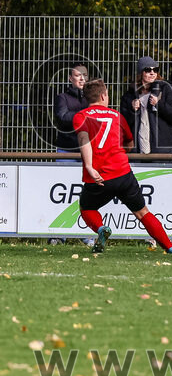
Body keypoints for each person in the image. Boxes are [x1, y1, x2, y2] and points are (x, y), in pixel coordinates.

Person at [73, 79, 172, 254]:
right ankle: (170, 247)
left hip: (99, 177)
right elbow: (129, 143)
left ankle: (101, 229)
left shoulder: (81, 116)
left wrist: (90, 166)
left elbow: (83, 140)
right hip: (123, 174)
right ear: (103, 96)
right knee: (143, 212)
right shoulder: (116, 115)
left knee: (87, 208)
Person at [52, 63, 93, 246]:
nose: (82, 79)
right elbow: (62, 117)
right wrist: (84, 115)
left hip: (86, 152)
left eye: (84, 76)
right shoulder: (62, 97)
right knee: (62, 193)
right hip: (66, 151)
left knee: (86, 194)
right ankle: (58, 234)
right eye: (78, 76)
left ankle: (86, 234)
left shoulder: (91, 98)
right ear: (71, 78)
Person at [119, 56, 172, 154]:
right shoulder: (129, 95)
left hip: (160, 152)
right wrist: (132, 111)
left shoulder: (166, 90)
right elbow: (122, 125)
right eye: (148, 70)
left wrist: (159, 104)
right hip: (137, 152)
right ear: (140, 73)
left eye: (155, 70)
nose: (152, 73)